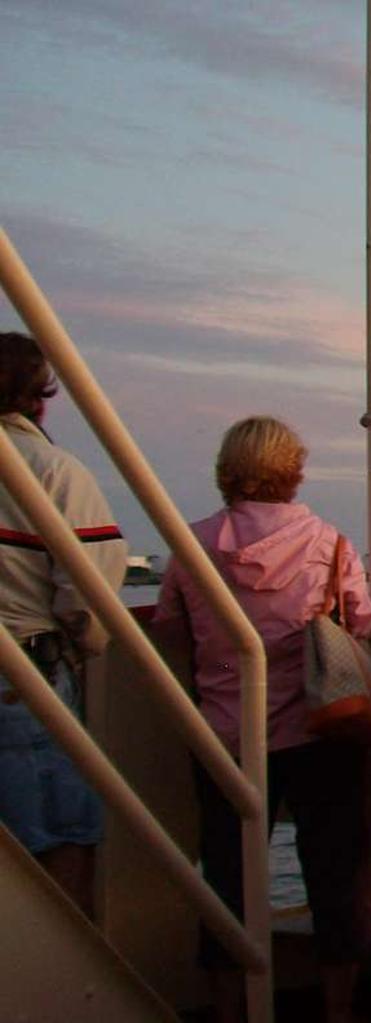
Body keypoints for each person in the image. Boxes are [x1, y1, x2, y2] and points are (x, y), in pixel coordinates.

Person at [152, 416, 371, 1023]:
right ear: (293, 470)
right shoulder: (329, 543)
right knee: (336, 872)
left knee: (225, 878)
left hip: (227, 735)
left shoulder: (193, 545)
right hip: (320, 730)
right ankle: (339, 1008)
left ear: (228, 469)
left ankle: (229, 1009)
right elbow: (360, 621)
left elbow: (170, 626)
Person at [0, 330, 126, 916]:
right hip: (23, 676)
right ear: (39, 398)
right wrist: (88, 643)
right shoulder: (52, 470)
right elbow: (88, 594)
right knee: (61, 835)